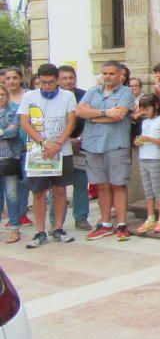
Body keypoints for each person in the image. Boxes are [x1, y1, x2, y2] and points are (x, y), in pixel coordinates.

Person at [18, 64, 78, 248]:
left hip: (62, 150)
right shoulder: (30, 96)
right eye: (43, 83)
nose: (47, 86)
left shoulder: (68, 96)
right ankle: (40, 230)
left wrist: (58, 143)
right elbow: (24, 122)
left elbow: (71, 122)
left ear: (57, 80)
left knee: (60, 190)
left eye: (51, 82)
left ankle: (58, 228)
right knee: (38, 192)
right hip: (38, 150)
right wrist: (44, 142)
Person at [76, 61, 135, 242]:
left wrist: (93, 117)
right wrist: (105, 112)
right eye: (104, 73)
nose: (107, 77)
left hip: (116, 144)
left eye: (111, 74)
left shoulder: (126, 92)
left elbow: (118, 116)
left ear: (120, 75)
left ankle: (122, 224)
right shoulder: (93, 91)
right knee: (101, 184)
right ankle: (105, 223)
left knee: (118, 184)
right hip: (94, 145)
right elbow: (79, 111)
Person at [56, 65, 90, 231]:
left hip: (80, 146)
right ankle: (56, 221)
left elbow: (89, 119)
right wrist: (67, 140)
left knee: (81, 183)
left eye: (71, 77)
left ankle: (81, 217)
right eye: (64, 78)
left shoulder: (84, 95)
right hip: (59, 146)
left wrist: (79, 139)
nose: (68, 81)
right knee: (56, 187)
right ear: (58, 80)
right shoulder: (53, 97)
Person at [133, 95, 160, 235]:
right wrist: (138, 142)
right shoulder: (145, 122)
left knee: (157, 188)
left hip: (155, 158)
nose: (144, 112)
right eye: (142, 110)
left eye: (147, 109)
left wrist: (150, 139)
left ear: (156, 106)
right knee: (147, 189)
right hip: (143, 157)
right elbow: (140, 138)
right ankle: (150, 217)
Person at [3, 68, 29, 229]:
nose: (11, 81)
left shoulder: (29, 96)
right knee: (10, 184)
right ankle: (14, 215)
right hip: (9, 148)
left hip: (27, 143)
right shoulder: (3, 98)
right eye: (8, 78)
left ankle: (22, 213)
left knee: (25, 181)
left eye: (14, 77)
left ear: (21, 79)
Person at [0, 85, 24, 243]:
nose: (0, 97)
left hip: (9, 159)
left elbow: (13, 132)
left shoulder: (14, 111)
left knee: (12, 195)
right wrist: (4, 130)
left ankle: (15, 228)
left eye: (2, 94)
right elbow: (7, 131)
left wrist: (3, 132)